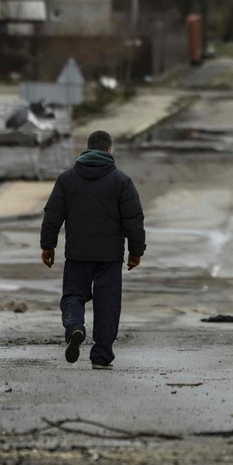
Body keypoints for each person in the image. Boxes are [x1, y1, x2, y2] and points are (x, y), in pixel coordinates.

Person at [40, 129, 146, 370]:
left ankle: (75, 326)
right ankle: (101, 355)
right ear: (110, 150)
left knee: (73, 296)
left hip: (77, 254)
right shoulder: (121, 181)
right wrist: (136, 251)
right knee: (107, 304)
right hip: (110, 257)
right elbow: (134, 219)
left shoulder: (67, 179)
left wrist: (48, 246)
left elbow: (52, 216)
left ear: (87, 149)